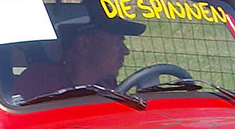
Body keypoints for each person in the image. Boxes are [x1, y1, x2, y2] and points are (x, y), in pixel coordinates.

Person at [10, 7, 145, 99]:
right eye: (117, 42)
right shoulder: (40, 81)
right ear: (84, 46)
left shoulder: (106, 84)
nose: (126, 51)